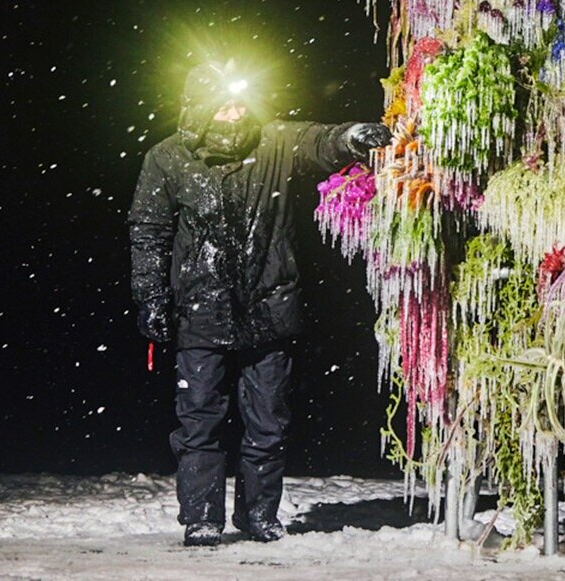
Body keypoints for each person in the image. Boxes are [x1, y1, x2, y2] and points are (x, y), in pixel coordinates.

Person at [128, 60, 391, 547]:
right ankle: (202, 517)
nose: (233, 113)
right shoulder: (167, 159)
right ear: (201, 108)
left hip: (270, 309)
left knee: (268, 421)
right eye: (222, 105)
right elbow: (149, 233)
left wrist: (352, 136)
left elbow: (317, 139)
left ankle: (259, 515)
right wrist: (151, 299)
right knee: (199, 422)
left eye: (237, 103)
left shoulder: (272, 142)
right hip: (200, 312)